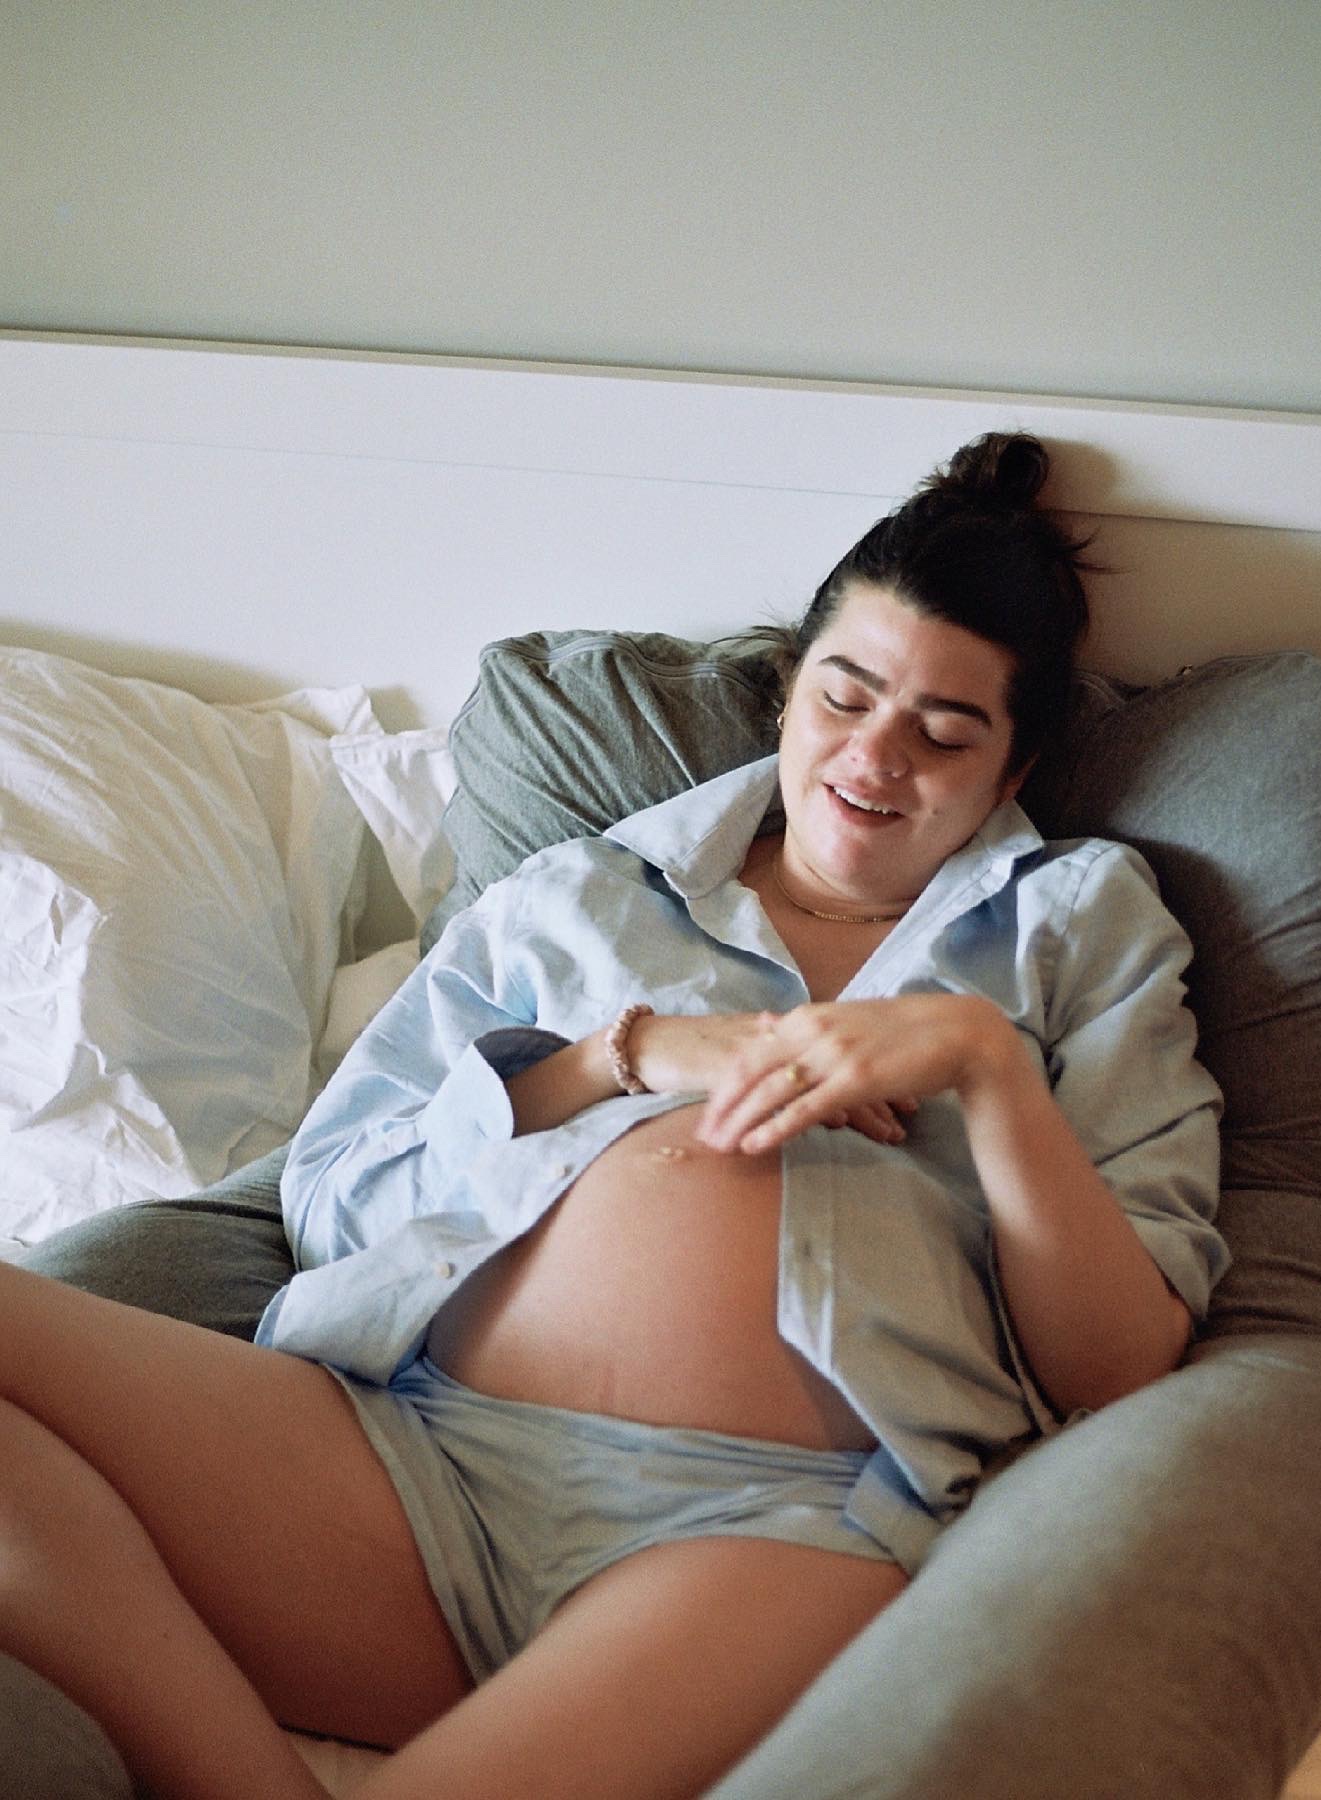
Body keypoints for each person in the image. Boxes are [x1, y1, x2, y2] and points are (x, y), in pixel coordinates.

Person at [0, 432, 1227, 1800]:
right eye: (845, 697)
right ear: (787, 691)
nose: (875, 757)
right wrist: (620, 1058)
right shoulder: (577, 894)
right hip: (403, 1451)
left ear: (1012, 768)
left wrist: (985, 1067)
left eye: (944, 735)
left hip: (762, 1526)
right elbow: (332, 1197)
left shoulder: (1081, 922)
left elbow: (1121, 1365)